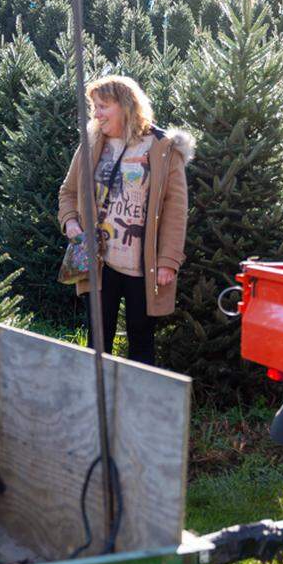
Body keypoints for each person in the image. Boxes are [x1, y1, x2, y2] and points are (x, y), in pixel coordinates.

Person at [57, 75, 194, 365]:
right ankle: (98, 403)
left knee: (142, 343)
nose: (97, 114)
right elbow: (68, 192)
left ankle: (137, 407)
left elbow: (176, 209)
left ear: (126, 106)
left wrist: (168, 261)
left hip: (142, 267)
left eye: (103, 106)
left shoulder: (163, 148)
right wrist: (71, 222)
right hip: (99, 262)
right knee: (98, 341)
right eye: (95, 106)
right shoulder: (92, 142)